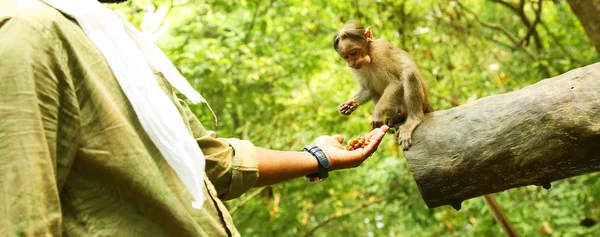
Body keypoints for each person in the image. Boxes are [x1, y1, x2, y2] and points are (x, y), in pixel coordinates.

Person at [0, 0, 388, 236]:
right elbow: (22, 221)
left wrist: (319, 157)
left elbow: (207, 163)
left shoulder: (105, 36)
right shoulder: (24, 33)